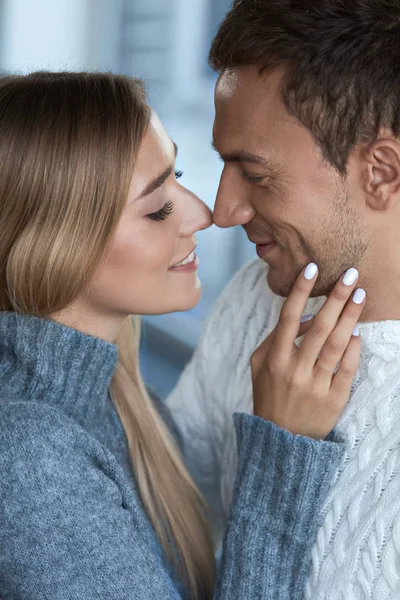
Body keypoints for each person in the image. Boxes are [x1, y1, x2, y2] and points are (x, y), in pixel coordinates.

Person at [0, 71, 364, 600]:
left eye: (181, 174)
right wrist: (284, 450)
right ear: (56, 246)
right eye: (157, 208)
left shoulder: (120, 401)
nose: (203, 213)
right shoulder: (27, 457)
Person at [165, 1, 400, 598]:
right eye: (223, 166)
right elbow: (167, 523)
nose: (223, 211)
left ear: (381, 171)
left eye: (257, 174)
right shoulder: (254, 298)